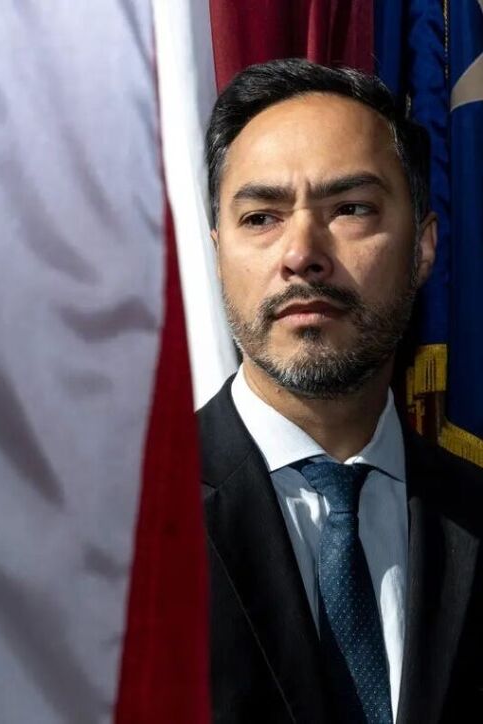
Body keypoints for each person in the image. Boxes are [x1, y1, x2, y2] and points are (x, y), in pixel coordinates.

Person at [200, 58, 483, 723]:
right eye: (261, 217)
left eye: (351, 208)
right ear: (217, 252)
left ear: (423, 247)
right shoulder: (118, 538)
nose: (302, 251)